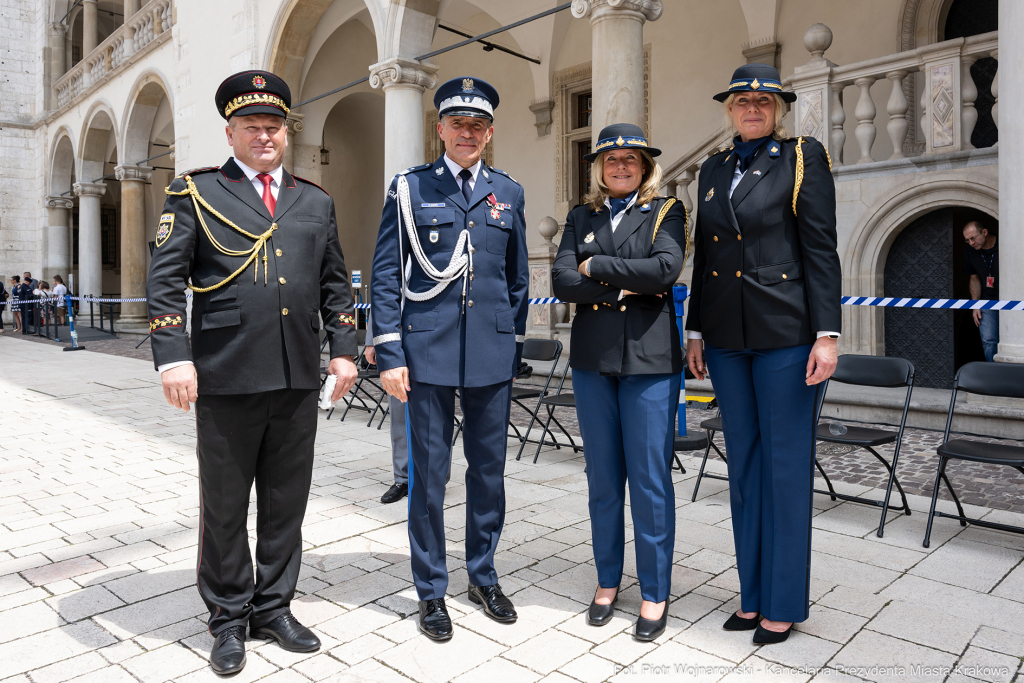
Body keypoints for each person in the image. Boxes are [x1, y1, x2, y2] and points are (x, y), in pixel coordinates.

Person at [146, 70, 359, 675]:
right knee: (226, 505)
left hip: (295, 373)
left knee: (287, 502)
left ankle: (274, 607)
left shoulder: (314, 199)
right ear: (231, 133)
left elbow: (334, 283)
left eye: (274, 126)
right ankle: (228, 617)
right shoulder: (197, 192)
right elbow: (164, 280)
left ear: (285, 134)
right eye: (252, 126)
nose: (265, 135)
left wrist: (343, 349)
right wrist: (173, 356)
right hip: (226, 372)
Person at [685, 63, 842, 644]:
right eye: (743, 101)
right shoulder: (713, 167)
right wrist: (695, 330)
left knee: (783, 469)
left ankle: (782, 603)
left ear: (778, 109)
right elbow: (704, 258)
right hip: (727, 337)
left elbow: (820, 248)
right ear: (729, 108)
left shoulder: (802, 157)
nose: (753, 108)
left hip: (785, 335)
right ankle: (751, 596)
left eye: (764, 101)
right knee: (745, 470)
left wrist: (828, 334)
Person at [370, 76, 529, 642]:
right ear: (439, 129)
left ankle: (483, 574)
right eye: (457, 123)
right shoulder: (410, 188)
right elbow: (387, 272)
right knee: (429, 478)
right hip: (426, 352)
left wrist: (510, 342)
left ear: (489, 133)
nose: (468, 133)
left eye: (478, 125)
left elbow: (517, 279)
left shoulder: (508, 193)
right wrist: (389, 348)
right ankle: (431, 589)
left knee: (489, 474)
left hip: (489, 352)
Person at [552, 123, 687, 642]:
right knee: (603, 479)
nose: (621, 167)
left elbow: (665, 271)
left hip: (650, 362)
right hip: (593, 360)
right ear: (599, 169)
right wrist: (624, 283)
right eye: (612, 160)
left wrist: (597, 268)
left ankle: (655, 591)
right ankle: (607, 580)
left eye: (631, 159)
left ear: (645, 166)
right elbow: (564, 279)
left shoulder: (667, 211)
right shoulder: (580, 215)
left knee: (650, 481)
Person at [962, 220, 999, 362]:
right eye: (967, 240)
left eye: (973, 238)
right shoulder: (970, 252)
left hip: (1011, 301)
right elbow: (974, 279)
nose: (971, 243)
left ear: (984, 232)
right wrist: (975, 304)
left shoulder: (1004, 244)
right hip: (987, 302)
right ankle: (995, 375)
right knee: (989, 339)